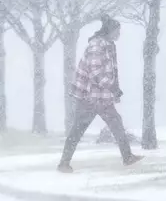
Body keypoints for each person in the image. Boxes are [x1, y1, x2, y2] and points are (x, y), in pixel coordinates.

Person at [57, 15, 144, 173]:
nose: (119, 34)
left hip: (100, 97)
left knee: (115, 123)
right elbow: (95, 71)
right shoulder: (97, 45)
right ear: (110, 30)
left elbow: (111, 71)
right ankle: (63, 163)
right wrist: (111, 87)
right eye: (117, 30)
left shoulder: (108, 45)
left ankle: (127, 157)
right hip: (90, 97)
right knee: (78, 129)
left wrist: (114, 90)